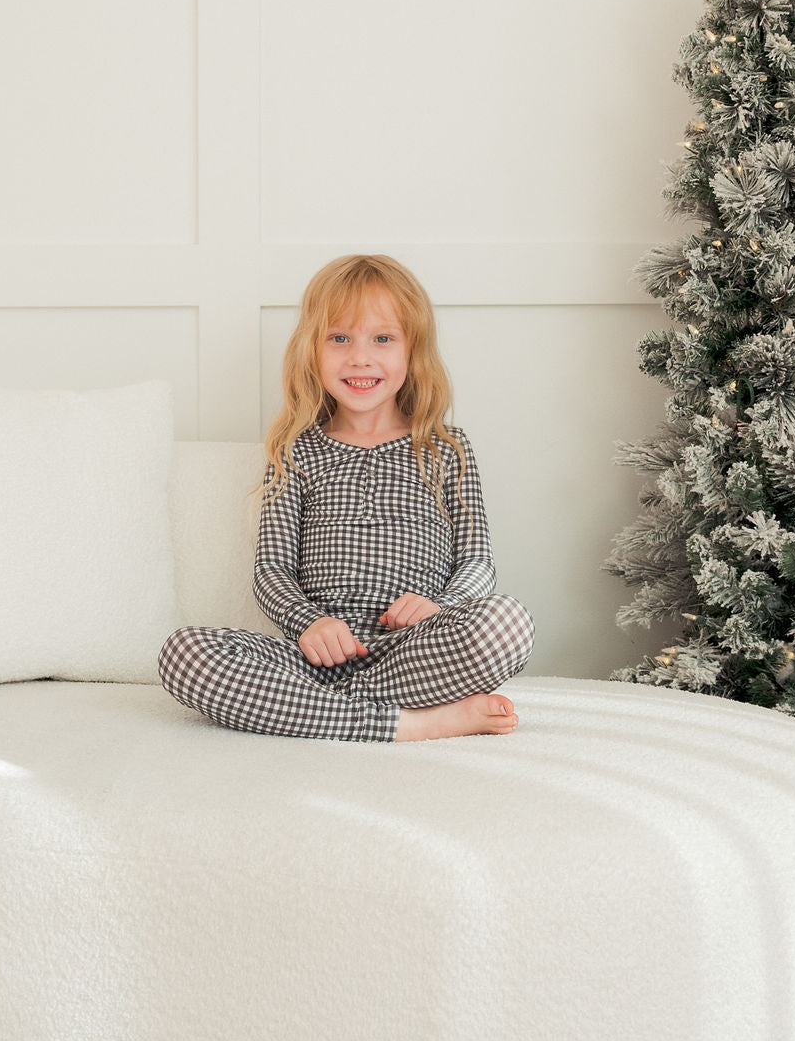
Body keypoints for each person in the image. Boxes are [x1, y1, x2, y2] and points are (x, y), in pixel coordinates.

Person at [158, 253, 535, 742]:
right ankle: (413, 723)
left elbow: (477, 560)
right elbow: (272, 570)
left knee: (506, 622)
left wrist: (441, 605)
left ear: (411, 352)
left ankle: (319, 715)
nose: (360, 357)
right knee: (184, 654)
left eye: (383, 338)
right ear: (312, 351)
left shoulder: (447, 449)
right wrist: (310, 623)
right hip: (312, 657)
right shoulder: (294, 451)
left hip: (415, 651)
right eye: (340, 338)